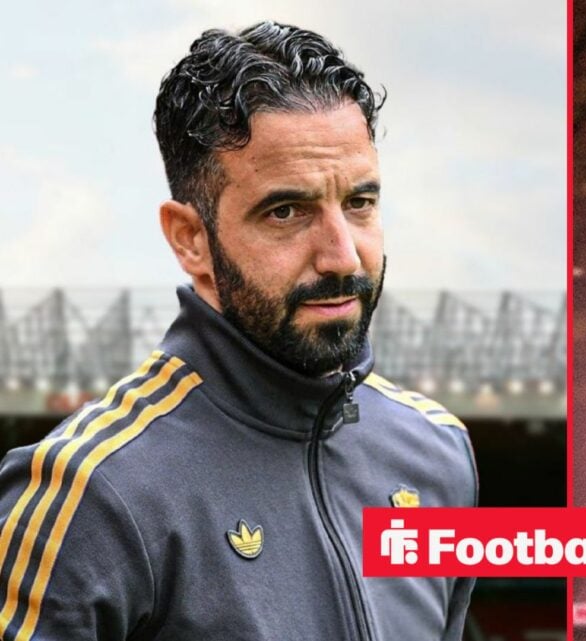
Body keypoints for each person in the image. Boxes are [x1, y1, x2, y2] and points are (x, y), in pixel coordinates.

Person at [0, 22, 476, 641]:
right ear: (190, 239)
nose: (342, 256)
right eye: (286, 211)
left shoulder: (438, 453)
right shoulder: (90, 492)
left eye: (359, 203)